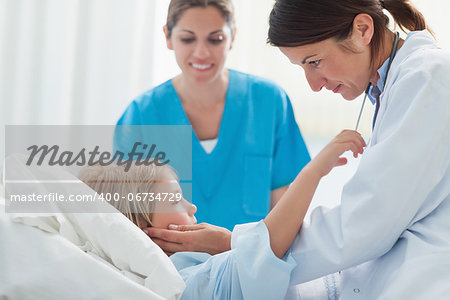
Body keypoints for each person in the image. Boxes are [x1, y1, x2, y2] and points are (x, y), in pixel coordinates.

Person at [242, 0, 450, 298]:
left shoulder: (427, 77)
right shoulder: (396, 83)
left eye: (314, 62)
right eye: (302, 67)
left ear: (362, 30)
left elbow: (367, 223)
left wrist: (251, 249)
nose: (313, 84)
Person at [115, 0, 310, 255]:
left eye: (215, 39)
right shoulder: (141, 116)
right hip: (172, 276)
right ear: (168, 37)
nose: (202, 53)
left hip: (253, 267)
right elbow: (127, 224)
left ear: (232, 37)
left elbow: (287, 215)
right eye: (188, 39)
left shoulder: (269, 102)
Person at [79, 131, 365, 299]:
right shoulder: (180, 282)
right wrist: (313, 172)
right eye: (176, 200)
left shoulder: (193, 266)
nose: (191, 207)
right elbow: (267, 246)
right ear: (142, 229)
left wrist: (227, 243)